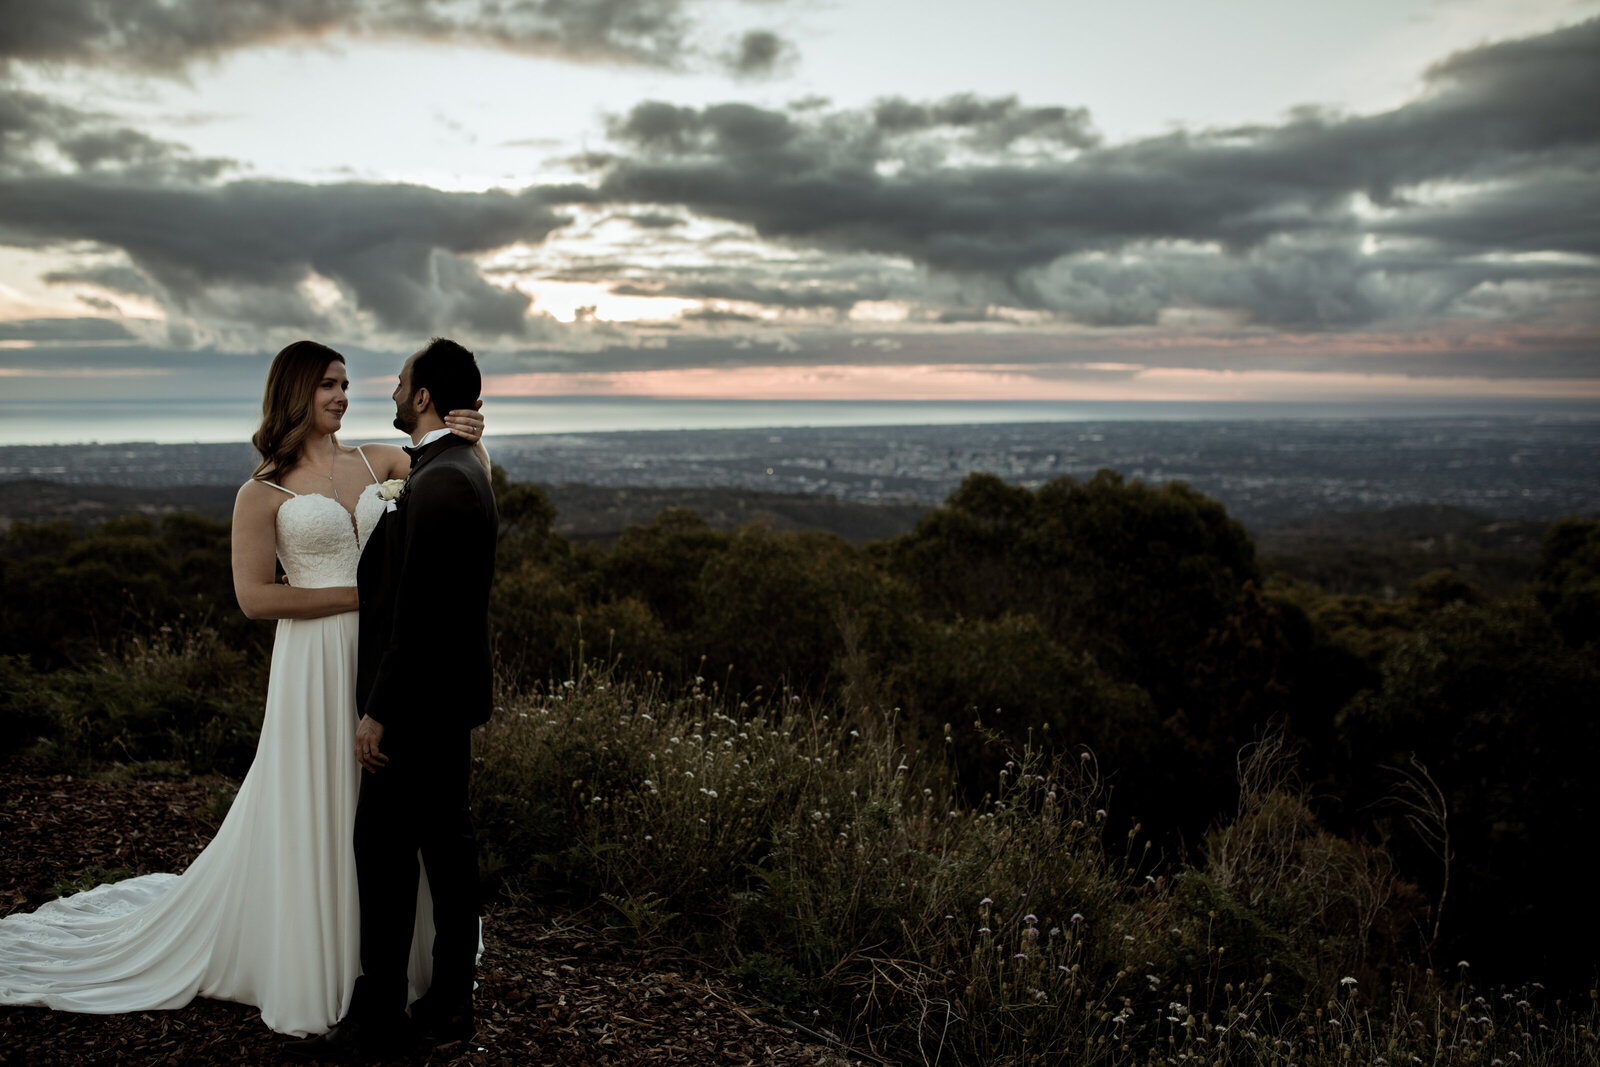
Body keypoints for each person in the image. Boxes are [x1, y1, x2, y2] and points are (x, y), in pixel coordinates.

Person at [0, 339, 487, 1038]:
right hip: (315, 661)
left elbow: (458, 493)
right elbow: (256, 598)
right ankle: (316, 959)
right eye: (327, 384)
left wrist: (474, 436)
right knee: (324, 798)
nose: (343, 396)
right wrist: (367, 596)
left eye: (346, 383)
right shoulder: (260, 493)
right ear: (295, 391)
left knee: (386, 817)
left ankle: (398, 973)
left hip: (383, 660)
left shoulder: (381, 462)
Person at [287, 337, 498, 1060]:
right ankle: (446, 1004)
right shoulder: (452, 465)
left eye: (400, 379)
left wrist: (378, 709)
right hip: (445, 700)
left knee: (383, 850)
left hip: (415, 705)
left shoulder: (438, 482)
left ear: (421, 398)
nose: (388, 388)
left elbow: (418, 616)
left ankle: (380, 1014)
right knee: (447, 848)